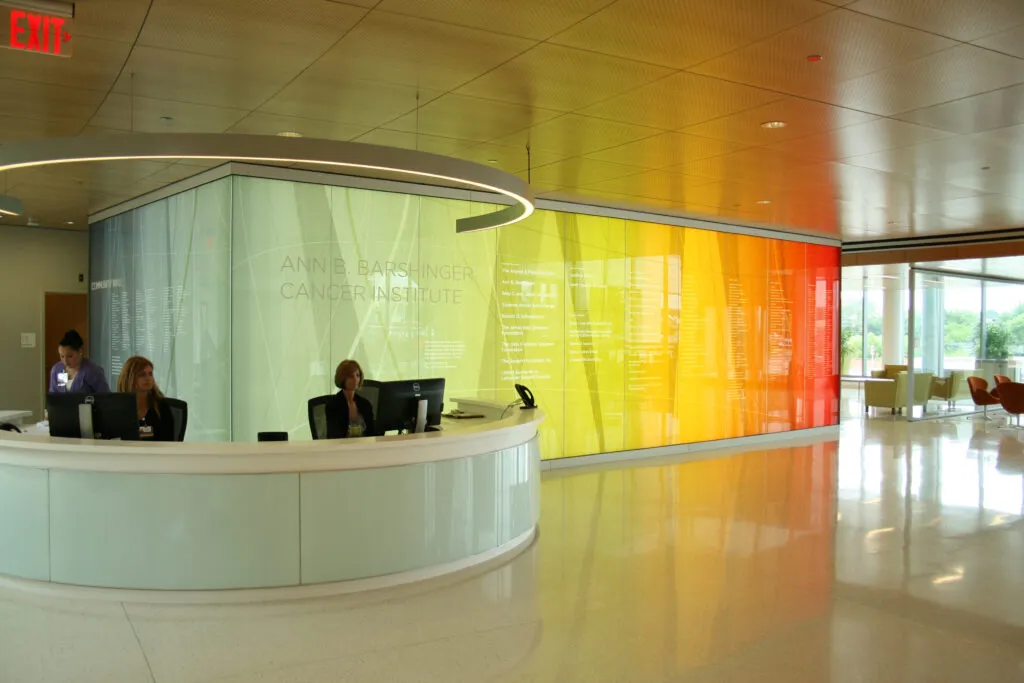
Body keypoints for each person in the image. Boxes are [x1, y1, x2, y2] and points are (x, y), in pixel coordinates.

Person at [116, 355, 175, 442]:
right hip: (126, 453)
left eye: (150, 374)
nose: (148, 378)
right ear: (130, 378)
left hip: (155, 454)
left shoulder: (161, 406)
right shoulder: (118, 407)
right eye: (142, 375)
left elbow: (169, 441)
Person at [48, 330, 110, 394]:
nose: (65, 361)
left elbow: (105, 397)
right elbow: (53, 396)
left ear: (80, 351)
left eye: (70, 356)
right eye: (62, 356)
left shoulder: (93, 371)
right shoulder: (57, 370)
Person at [325, 359, 375, 438]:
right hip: (342, 448)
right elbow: (333, 436)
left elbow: (372, 433)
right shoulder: (333, 405)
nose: (355, 379)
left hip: (365, 447)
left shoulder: (365, 404)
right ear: (342, 378)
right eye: (351, 376)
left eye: (357, 375)